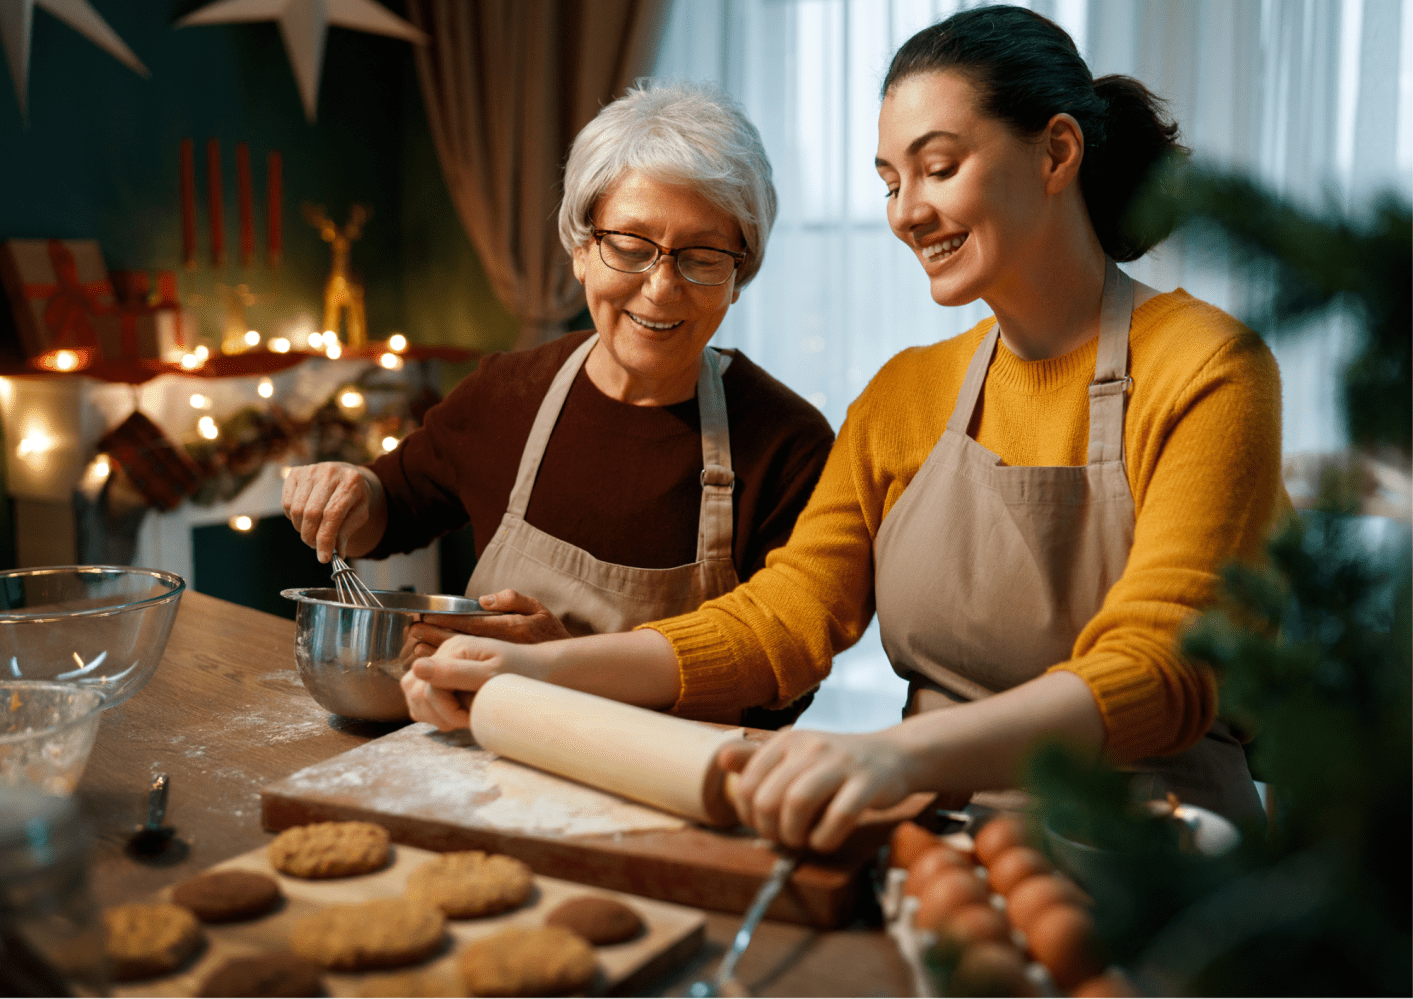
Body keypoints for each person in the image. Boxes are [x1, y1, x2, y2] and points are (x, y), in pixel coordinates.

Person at [403, 6, 1284, 847]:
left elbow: (1161, 668)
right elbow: (781, 618)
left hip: (1155, 856)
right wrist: (537, 671)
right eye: (891, 181)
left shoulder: (1207, 367)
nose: (905, 212)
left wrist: (887, 753)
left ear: (1056, 151)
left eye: (936, 168)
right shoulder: (906, 393)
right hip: (941, 841)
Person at [282, 80, 835, 727]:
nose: (660, 289)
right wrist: (347, 492)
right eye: (630, 244)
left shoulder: (789, 443)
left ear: (738, 274)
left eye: (702, 256)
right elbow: (391, 509)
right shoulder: (508, 392)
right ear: (580, 248)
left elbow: (783, 689)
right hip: (483, 753)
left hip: (669, 788)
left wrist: (565, 665)